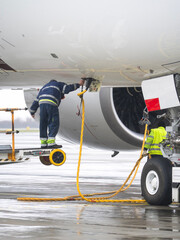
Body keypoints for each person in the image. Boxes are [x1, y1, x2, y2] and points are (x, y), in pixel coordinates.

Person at [30, 79, 84, 148]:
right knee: (54, 123)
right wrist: (78, 85)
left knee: (43, 123)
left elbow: (36, 101)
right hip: (51, 104)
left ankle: (43, 143)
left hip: (42, 104)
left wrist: (32, 112)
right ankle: (51, 143)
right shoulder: (58, 84)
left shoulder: (44, 88)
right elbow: (67, 89)